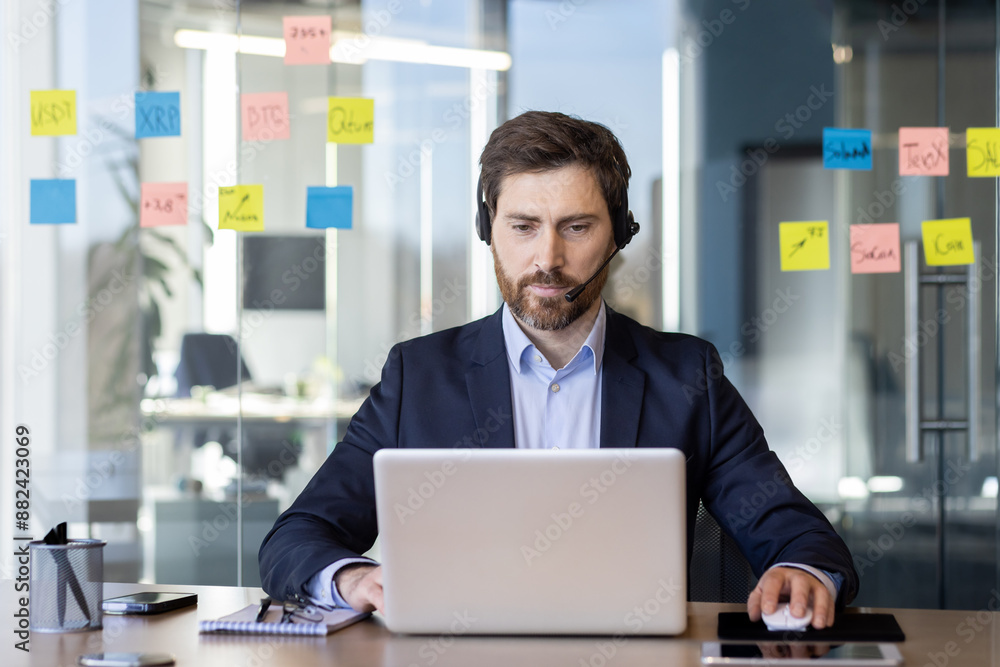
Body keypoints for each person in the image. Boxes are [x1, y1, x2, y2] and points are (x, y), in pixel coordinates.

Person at [258, 110, 859, 630]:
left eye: (577, 227)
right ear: (487, 229)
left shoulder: (686, 376)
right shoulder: (418, 376)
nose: (547, 259)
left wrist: (798, 570)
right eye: (523, 227)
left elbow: (801, 536)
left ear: (620, 233)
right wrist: (354, 580)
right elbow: (295, 538)